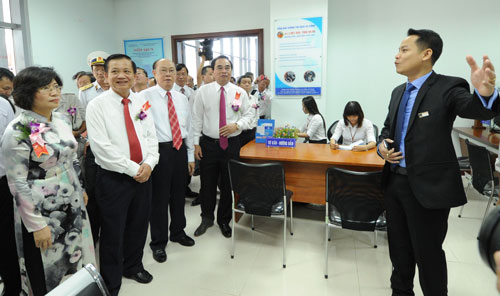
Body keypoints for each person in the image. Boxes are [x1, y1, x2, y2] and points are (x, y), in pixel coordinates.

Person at [377, 28, 498, 296]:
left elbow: (473, 108)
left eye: (404, 50)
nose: (396, 56)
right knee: (399, 253)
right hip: (395, 182)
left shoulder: (448, 87)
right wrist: (381, 147)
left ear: (426, 54)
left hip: (428, 190)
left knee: (428, 255)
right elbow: (387, 130)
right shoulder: (398, 92)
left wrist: (486, 95)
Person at [1, 66, 95, 295]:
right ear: (27, 92)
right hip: (42, 207)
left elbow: (71, 156)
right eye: (45, 88)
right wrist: (37, 225)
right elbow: (17, 184)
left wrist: (79, 186)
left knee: (75, 255)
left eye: (56, 86)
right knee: (46, 265)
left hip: (71, 197)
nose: (55, 92)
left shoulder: (61, 118)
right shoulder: (19, 130)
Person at [86, 54, 159, 296]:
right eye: (115, 71)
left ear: (134, 75)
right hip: (114, 178)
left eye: (126, 71)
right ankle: (111, 280)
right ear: (105, 76)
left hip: (144, 174)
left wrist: (149, 163)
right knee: (112, 231)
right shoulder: (97, 105)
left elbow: (150, 137)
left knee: (139, 225)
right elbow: (101, 147)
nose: (121, 76)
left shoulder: (141, 102)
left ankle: (133, 266)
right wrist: (133, 168)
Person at [141, 58, 196, 264]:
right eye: (163, 70)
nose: (168, 74)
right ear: (154, 73)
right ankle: (158, 242)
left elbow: (188, 129)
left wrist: (190, 156)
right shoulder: (143, 97)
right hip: (158, 152)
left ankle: (178, 232)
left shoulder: (181, 98)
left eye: (171, 70)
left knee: (179, 194)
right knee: (159, 199)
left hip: (180, 149)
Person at [192, 55, 253, 238]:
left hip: (231, 144)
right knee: (207, 185)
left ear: (231, 71)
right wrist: (196, 143)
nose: (224, 70)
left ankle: (224, 221)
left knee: (228, 185)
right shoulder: (203, 91)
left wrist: (238, 125)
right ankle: (206, 218)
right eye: (220, 67)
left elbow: (250, 115)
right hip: (208, 144)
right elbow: (196, 118)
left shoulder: (239, 92)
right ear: (213, 71)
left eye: (227, 67)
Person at [79, 52, 110, 245]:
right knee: (93, 190)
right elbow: (85, 121)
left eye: (102, 69)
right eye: (95, 69)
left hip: (116, 147)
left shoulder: (119, 89)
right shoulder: (86, 92)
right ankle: (95, 233)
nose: (99, 72)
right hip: (94, 147)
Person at [0, 67, 21, 296]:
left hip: (4, 178)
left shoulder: (3, 104)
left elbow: (9, 142)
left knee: (5, 237)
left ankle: (13, 285)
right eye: (5, 88)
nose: (9, 93)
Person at [237, 75, 259, 147]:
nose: (247, 84)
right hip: (240, 132)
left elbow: (257, 114)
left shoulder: (254, 99)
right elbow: (235, 113)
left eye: (249, 83)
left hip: (252, 131)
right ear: (238, 85)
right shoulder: (236, 98)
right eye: (244, 82)